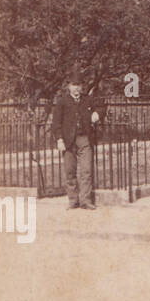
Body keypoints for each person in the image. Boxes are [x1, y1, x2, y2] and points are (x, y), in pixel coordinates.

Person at [51, 76, 100, 210]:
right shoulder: (62, 102)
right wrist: (59, 139)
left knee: (86, 170)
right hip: (68, 141)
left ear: (82, 86)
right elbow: (56, 123)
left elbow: (102, 107)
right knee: (70, 171)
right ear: (68, 87)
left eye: (78, 85)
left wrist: (96, 113)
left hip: (84, 139)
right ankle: (73, 200)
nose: (76, 88)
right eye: (73, 85)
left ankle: (86, 201)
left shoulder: (88, 99)